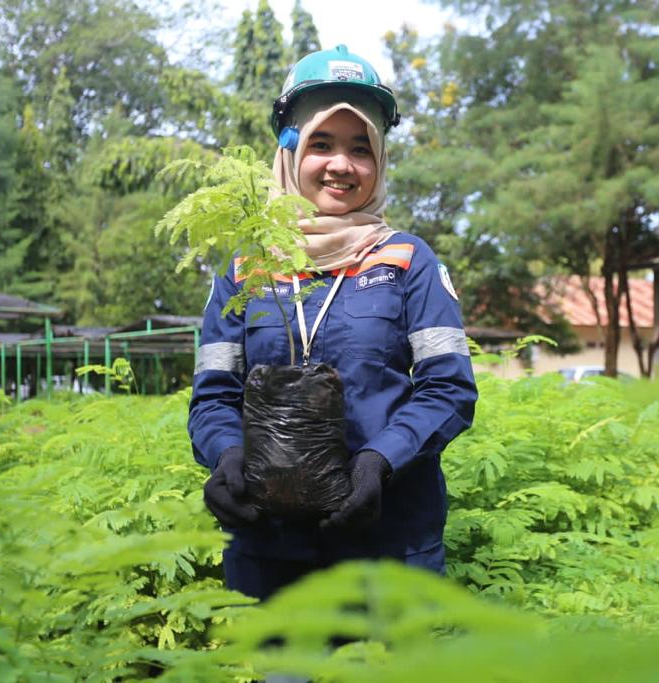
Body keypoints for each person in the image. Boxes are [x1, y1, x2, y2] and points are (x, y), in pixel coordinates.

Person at [188, 45, 477, 601]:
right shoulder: (249, 267)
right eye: (321, 143)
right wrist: (226, 454)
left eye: (360, 148)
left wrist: (378, 462)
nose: (341, 165)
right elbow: (213, 395)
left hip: (390, 544)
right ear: (290, 150)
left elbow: (449, 390)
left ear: (380, 159)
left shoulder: (408, 260)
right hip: (269, 550)